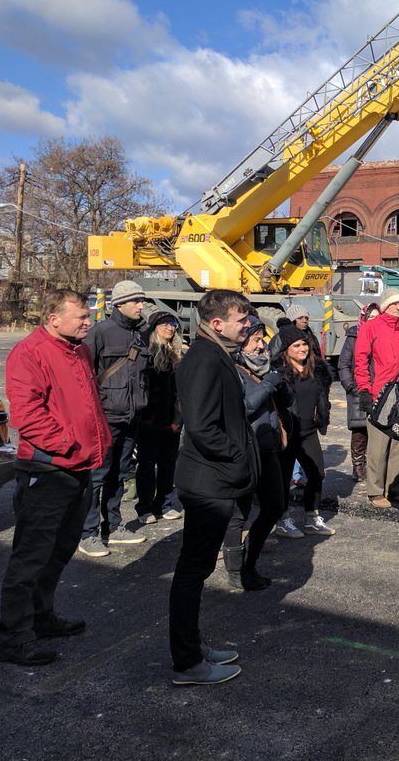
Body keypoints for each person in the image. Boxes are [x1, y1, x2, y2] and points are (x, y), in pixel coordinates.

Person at [0, 289, 113, 666]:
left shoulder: (78, 350)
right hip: (47, 470)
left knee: (59, 551)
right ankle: (13, 639)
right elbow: (27, 416)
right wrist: (69, 447)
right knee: (30, 556)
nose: (88, 321)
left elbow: (88, 403)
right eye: (81, 316)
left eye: (88, 315)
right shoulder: (29, 353)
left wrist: (99, 443)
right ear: (53, 318)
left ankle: (42, 618)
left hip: (79, 468)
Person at [169, 289, 256, 685]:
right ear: (217, 323)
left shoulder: (213, 353)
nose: (248, 325)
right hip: (208, 483)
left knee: (197, 569)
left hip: (214, 480)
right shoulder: (203, 359)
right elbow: (202, 427)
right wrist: (237, 459)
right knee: (192, 572)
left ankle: (193, 647)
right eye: (241, 319)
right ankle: (187, 663)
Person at [78, 279, 149, 557]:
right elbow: (85, 377)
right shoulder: (100, 333)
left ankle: (114, 526)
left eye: (141, 300)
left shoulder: (142, 333)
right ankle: (89, 534)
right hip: (105, 417)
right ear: (120, 304)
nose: (141, 305)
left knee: (119, 474)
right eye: (136, 301)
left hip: (132, 418)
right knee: (97, 476)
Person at [226, 316, 293, 588]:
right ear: (242, 343)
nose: (261, 345)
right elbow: (244, 408)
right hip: (246, 450)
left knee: (274, 506)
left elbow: (286, 402)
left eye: (261, 339)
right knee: (238, 513)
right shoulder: (234, 370)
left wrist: (279, 382)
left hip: (268, 448)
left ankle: (250, 562)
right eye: (255, 340)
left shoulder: (265, 366)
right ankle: (235, 572)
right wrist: (267, 385)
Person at [355, 287, 399, 508]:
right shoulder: (370, 327)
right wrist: (364, 390)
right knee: (378, 447)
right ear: (384, 305)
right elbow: (360, 360)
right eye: (394, 304)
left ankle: (394, 488)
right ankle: (375, 491)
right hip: (379, 393)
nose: (398, 307)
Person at [276, 324, 336, 536]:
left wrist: (322, 412)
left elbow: (322, 398)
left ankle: (312, 517)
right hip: (287, 433)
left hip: (309, 432)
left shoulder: (317, 370)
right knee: (283, 479)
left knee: (317, 472)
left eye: (304, 344)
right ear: (286, 349)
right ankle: (282, 520)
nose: (302, 349)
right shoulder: (279, 374)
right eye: (296, 345)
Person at [135, 311, 184, 526]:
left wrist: (178, 418)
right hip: (148, 419)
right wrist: (143, 416)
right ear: (155, 327)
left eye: (172, 324)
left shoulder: (177, 354)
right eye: (164, 324)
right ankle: (144, 507)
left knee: (167, 465)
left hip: (170, 419)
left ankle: (163, 503)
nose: (169, 328)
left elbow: (180, 392)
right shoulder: (147, 352)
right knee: (146, 465)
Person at [338, 303, 380, 484]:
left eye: (377, 318)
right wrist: (351, 387)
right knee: (360, 429)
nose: (374, 321)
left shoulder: (382, 336)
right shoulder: (354, 336)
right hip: (359, 389)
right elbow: (344, 364)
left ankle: (371, 467)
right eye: (371, 317)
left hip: (378, 389)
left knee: (376, 431)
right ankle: (357, 466)